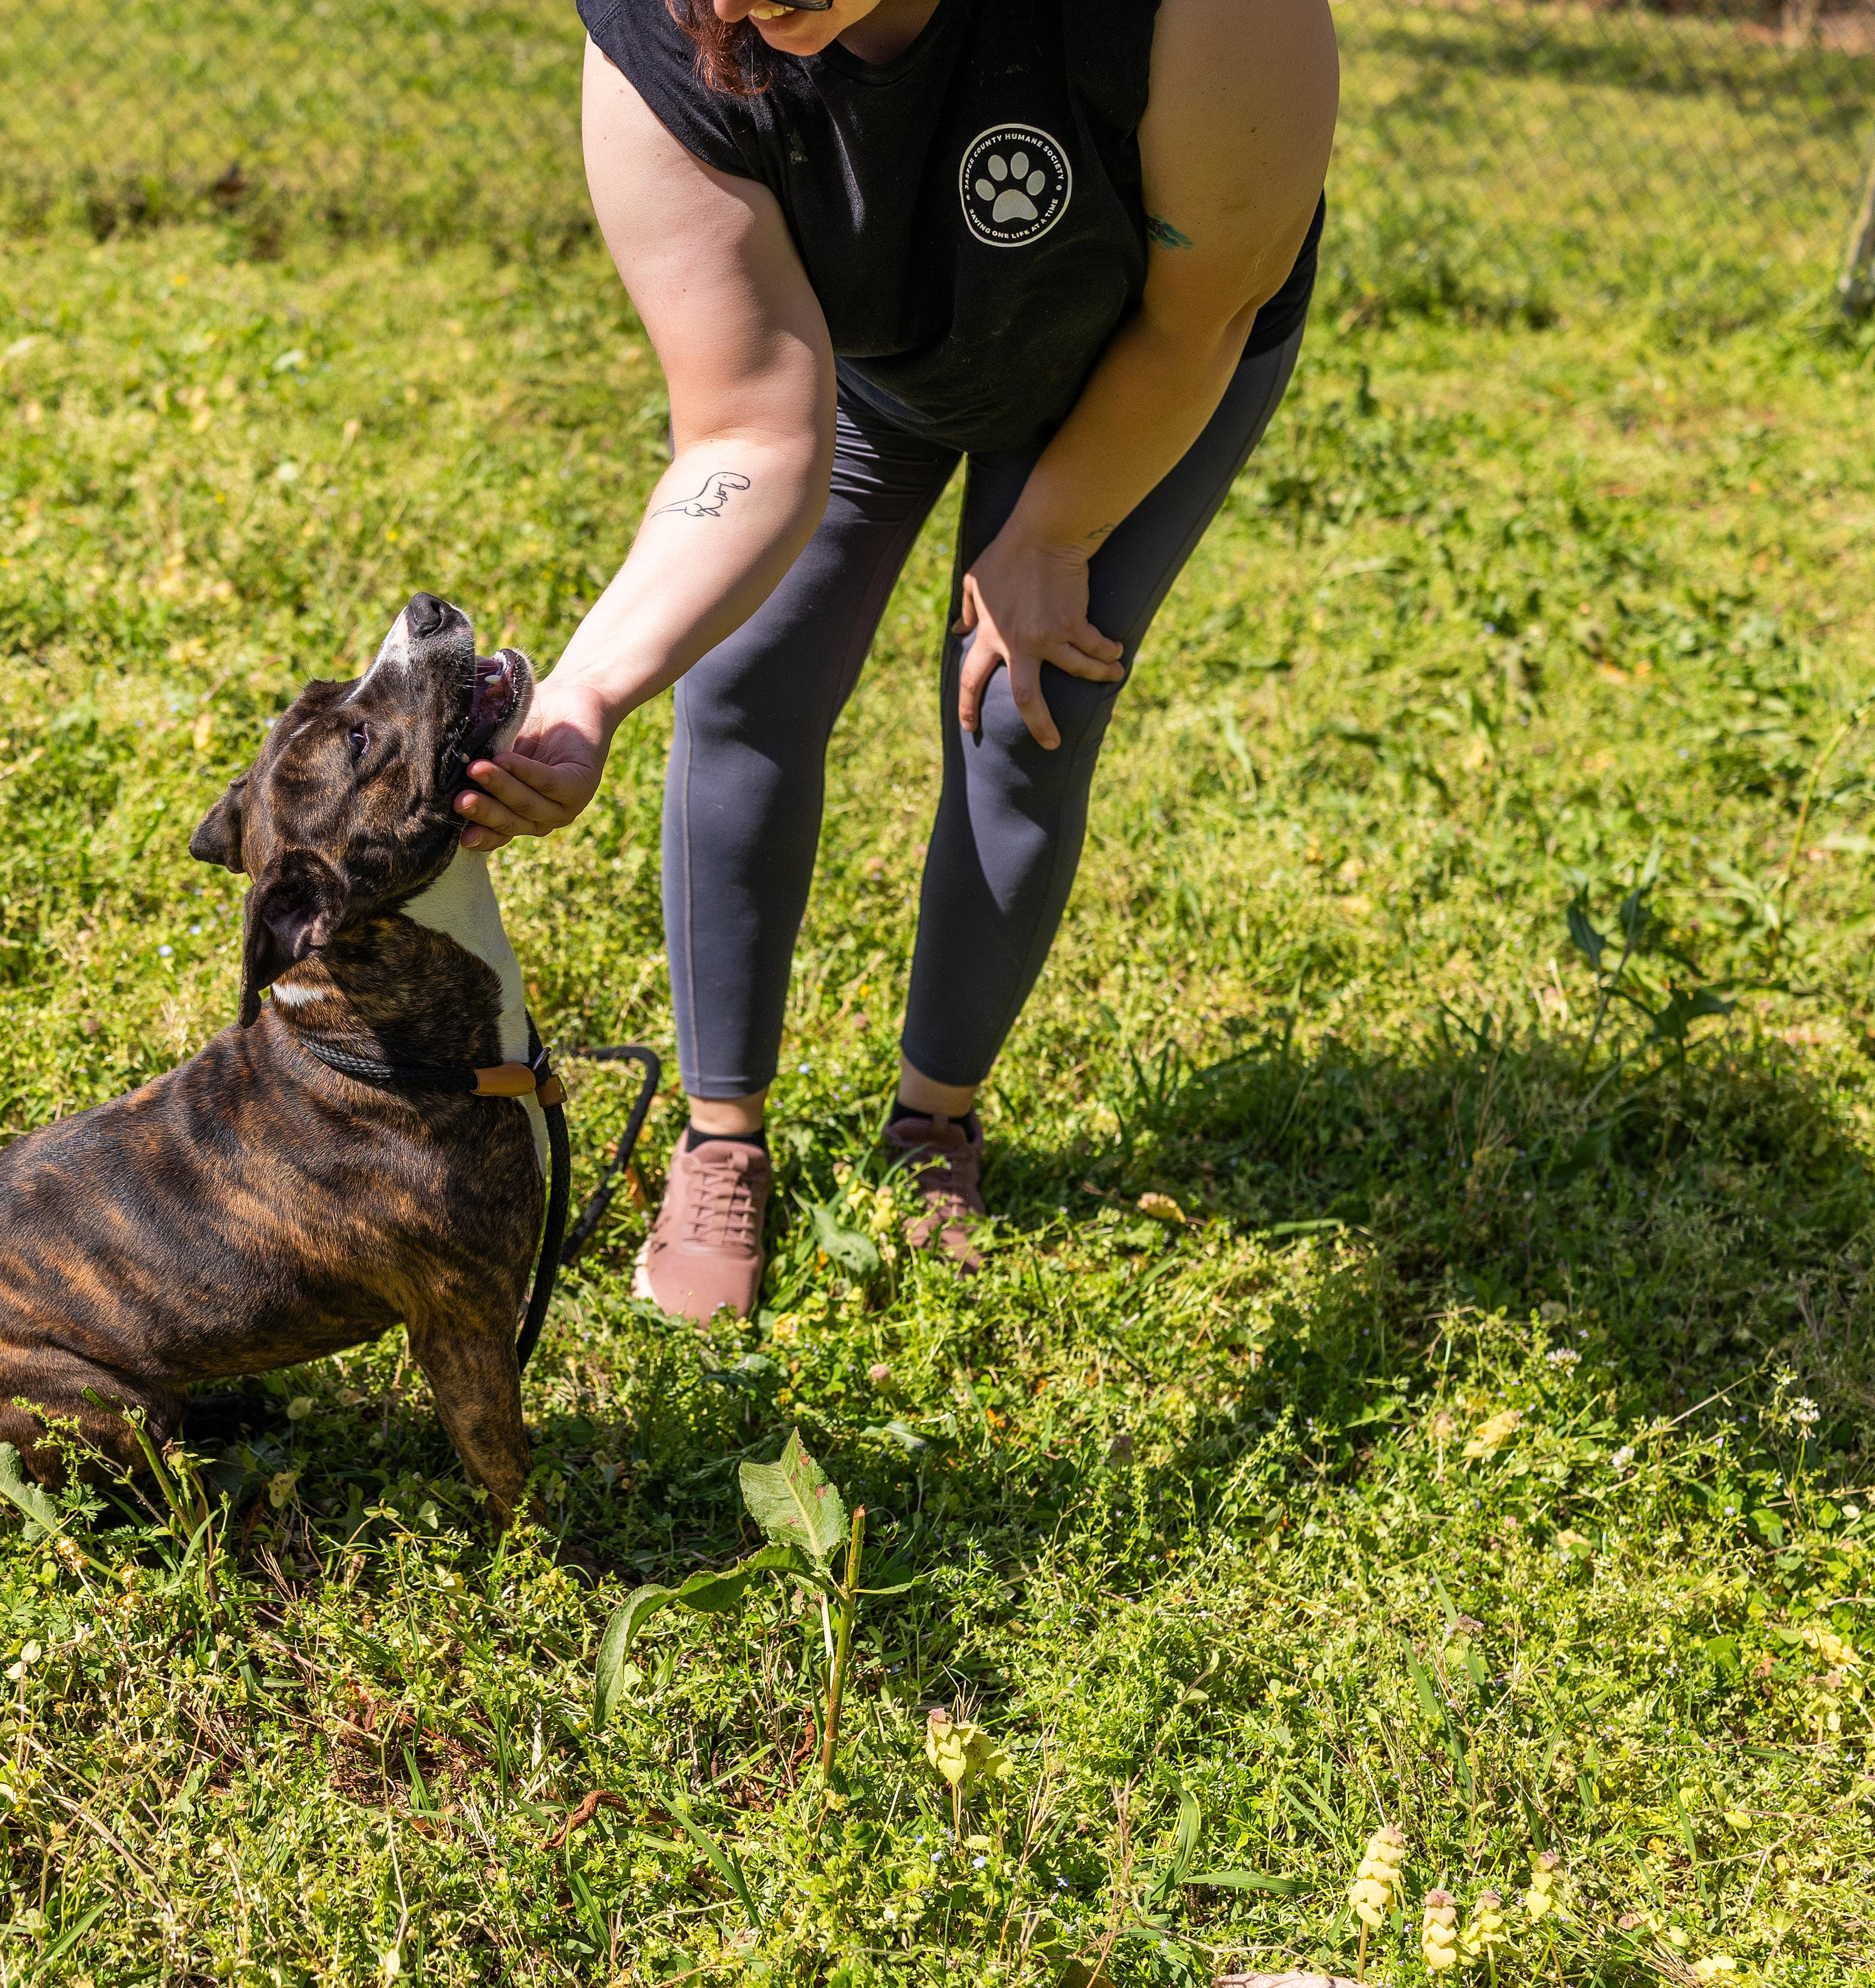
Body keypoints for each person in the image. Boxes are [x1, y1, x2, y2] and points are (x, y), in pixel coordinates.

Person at [450, 0, 1336, 1320]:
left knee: (1023, 710)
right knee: (746, 678)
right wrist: (589, 686)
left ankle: (935, 1125)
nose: (735, 5)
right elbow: (746, 428)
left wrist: (1055, 533)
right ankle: (721, 1138)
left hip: (1145, 353)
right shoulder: (660, 28)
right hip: (869, 359)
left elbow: (1199, 314)